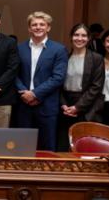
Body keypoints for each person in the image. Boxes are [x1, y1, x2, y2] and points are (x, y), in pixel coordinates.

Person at [15, 11, 68, 151]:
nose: (38, 27)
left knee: (47, 147)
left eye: (42, 24)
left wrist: (35, 94)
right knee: (22, 147)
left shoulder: (59, 49)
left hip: (47, 105)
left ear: (48, 27)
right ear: (29, 28)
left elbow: (58, 77)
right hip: (23, 104)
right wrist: (25, 94)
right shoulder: (19, 48)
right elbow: (14, 74)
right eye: (34, 25)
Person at [56, 24, 105, 151]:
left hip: (86, 107)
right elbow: (58, 83)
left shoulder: (96, 59)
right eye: (76, 35)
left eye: (83, 35)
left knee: (82, 146)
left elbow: (96, 86)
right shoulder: (64, 57)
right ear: (71, 37)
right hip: (65, 106)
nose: (80, 38)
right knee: (63, 145)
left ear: (88, 39)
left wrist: (77, 107)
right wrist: (63, 105)